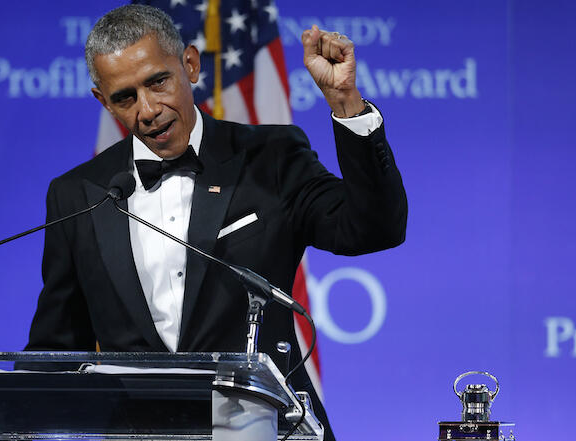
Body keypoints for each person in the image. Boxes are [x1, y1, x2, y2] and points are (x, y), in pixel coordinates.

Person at [24, 4, 407, 440]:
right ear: (102, 100)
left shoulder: (271, 158)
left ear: (189, 64)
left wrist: (347, 106)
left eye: (158, 82)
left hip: (266, 429)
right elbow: (54, 347)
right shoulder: (79, 193)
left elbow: (376, 228)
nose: (147, 110)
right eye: (125, 97)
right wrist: (5, 403)